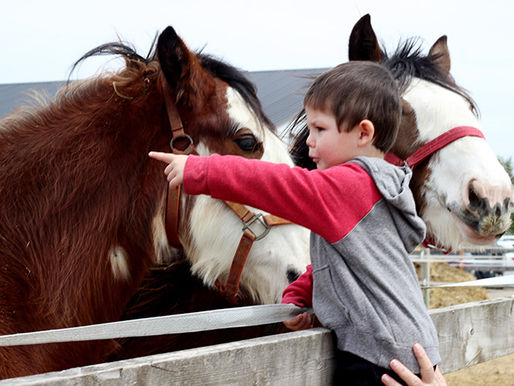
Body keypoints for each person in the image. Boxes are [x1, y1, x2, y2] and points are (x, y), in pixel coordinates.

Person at [149, 60, 441, 385]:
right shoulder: (380, 191)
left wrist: (201, 171)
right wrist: (298, 296)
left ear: (363, 133)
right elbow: (341, 264)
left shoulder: (350, 185)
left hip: (379, 357)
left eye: (320, 129)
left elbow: (280, 185)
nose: (308, 141)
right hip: (402, 346)